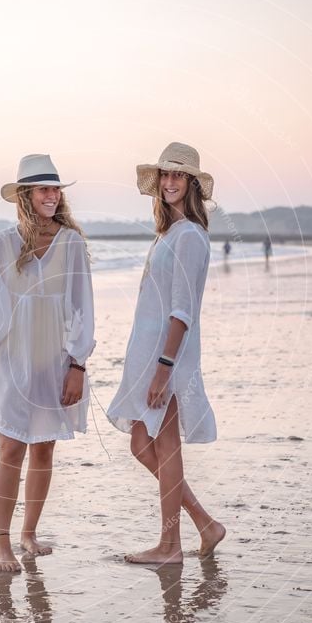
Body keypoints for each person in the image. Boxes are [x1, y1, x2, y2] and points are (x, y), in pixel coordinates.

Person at [0, 154, 95, 573]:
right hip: (15, 364)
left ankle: (29, 534)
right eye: (44, 189)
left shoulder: (72, 243)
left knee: (44, 449)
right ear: (25, 195)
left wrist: (77, 365)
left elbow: (82, 307)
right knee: (11, 449)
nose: (53, 196)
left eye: (56, 189)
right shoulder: (2, 245)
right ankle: (1, 543)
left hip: (56, 364)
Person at [107, 142, 225, 565]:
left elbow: (182, 310)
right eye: (166, 175)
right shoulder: (170, 233)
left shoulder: (190, 236)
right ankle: (205, 524)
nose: (171, 182)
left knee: (166, 443)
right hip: (149, 354)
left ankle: (170, 545)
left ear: (192, 184)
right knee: (143, 444)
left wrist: (165, 368)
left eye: (179, 175)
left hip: (166, 356)